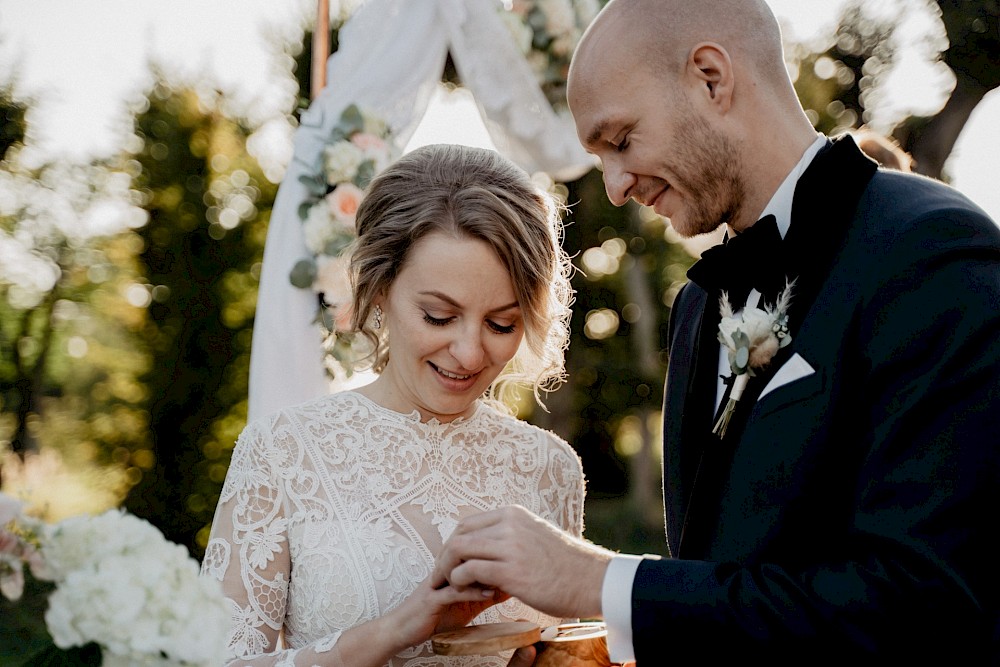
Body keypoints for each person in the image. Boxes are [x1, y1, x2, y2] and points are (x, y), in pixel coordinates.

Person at [434, 0, 1000, 662]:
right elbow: (728, 581)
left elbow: (924, 605)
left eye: (620, 141)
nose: (614, 187)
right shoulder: (697, 307)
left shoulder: (930, 250)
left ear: (710, 77)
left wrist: (595, 579)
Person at [201, 143, 583, 667]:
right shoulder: (283, 452)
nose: (470, 352)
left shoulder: (550, 469)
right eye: (438, 316)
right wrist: (398, 628)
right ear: (380, 290)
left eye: (502, 324)